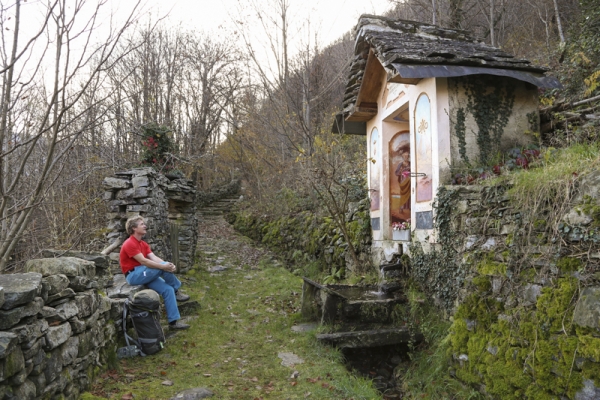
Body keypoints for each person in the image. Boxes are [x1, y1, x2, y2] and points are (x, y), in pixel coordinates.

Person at [120, 215, 190, 330]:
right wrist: (164, 266)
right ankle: (177, 289)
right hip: (133, 275)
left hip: (145, 273)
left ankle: (173, 323)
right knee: (162, 267)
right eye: (142, 224)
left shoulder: (143, 244)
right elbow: (143, 261)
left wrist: (168, 265)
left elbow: (154, 258)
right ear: (134, 228)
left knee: (168, 289)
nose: (145, 226)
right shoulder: (129, 243)